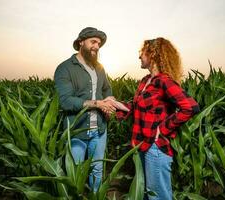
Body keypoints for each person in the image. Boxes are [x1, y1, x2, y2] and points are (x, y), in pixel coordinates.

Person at [115, 37, 200, 200]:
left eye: (143, 52)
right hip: (141, 145)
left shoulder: (164, 81)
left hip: (155, 148)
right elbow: (134, 106)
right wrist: (113, 104)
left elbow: (190, 107)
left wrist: (163, 129)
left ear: (153, 54)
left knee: (157, 196)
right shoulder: (146, 81)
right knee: (148, 195)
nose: (139, 56)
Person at [54, 27, 116, 192]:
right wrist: (97, 104)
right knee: (75, 174)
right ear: (81, 42)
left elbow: (107, 89)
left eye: (99, 43)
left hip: (99, 131)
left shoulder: (100, 68)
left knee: (97, 170)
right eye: (93, 42)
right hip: (77, 132)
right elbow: (66, 101)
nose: (97, 46)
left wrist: (110, 100)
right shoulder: (65, 68)